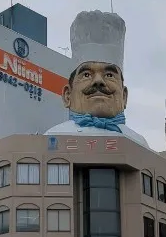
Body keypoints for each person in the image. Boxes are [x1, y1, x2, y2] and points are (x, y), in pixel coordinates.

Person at [45, 10, 149, 148]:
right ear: (67, 95)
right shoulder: (53, 138)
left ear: (124, 96)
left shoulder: (138, 144)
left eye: (109, 75)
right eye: (87, 74)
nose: (98, 81)